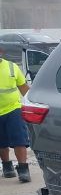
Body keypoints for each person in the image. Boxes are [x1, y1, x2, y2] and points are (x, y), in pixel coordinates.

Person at [0, 50, 31, 182]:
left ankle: (23, 169)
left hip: (13, 109)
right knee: (1, 143)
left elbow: (24, 89)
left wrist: (33, 104)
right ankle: (7, 167)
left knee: (20, 140)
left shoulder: (12, 67)